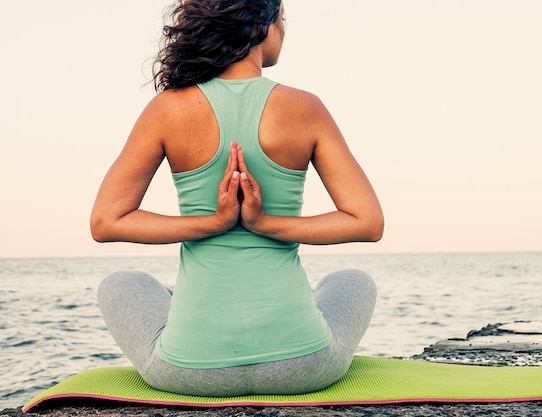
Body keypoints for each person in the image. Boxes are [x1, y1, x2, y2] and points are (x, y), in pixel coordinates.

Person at [91, 0, 384, 396]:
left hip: (189, 374)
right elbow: (367, 222)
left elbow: (106, 221)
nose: (284, 28)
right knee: (353, 280)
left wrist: (212, 222)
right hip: (304, 367)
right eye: (283, 18)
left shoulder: (168, 109)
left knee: (121, 283)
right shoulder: (304, 107)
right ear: (260, 26)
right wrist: (265, 224)